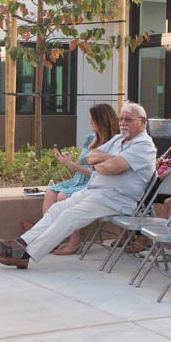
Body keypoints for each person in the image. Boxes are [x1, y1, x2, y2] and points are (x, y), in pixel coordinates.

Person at [0, 103, 157, 269]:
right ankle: (20, 242)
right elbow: (90, 157)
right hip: (94, 191)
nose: (122, 123)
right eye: (121, 119)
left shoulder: (144, 145)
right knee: (56, 209)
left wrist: (106, 163)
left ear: (142, 121)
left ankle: (25, 255)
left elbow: (111, 168)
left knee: (68, 216)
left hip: (115, 199)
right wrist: (109, 160)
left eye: (128, 119)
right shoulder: (119, 139)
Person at [42, 103, 120, 255]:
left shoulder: (113, 144)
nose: (90, 122)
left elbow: (96, 173)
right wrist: (68, 161)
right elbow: (81, 162)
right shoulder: (90, 138)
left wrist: (73, 165)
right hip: (78, 179)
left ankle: (74, 242)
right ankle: (49, 238)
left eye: (93, 119)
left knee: (63, 196)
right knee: (50, 192)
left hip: (93, 182)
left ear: (102, 120)